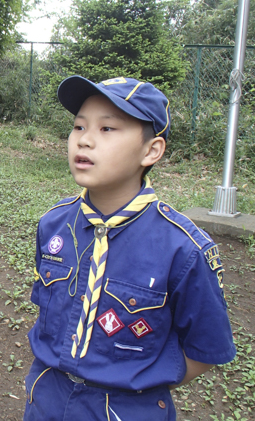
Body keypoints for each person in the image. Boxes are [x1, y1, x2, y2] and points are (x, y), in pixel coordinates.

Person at [24, 76, 236, 420]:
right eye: (78, 126)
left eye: (107, 129)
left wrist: (138, 382)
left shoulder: (184, 249)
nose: (85, 141)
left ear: (151, 150)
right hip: (46, 398)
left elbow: (206, 349)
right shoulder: (53, 224)